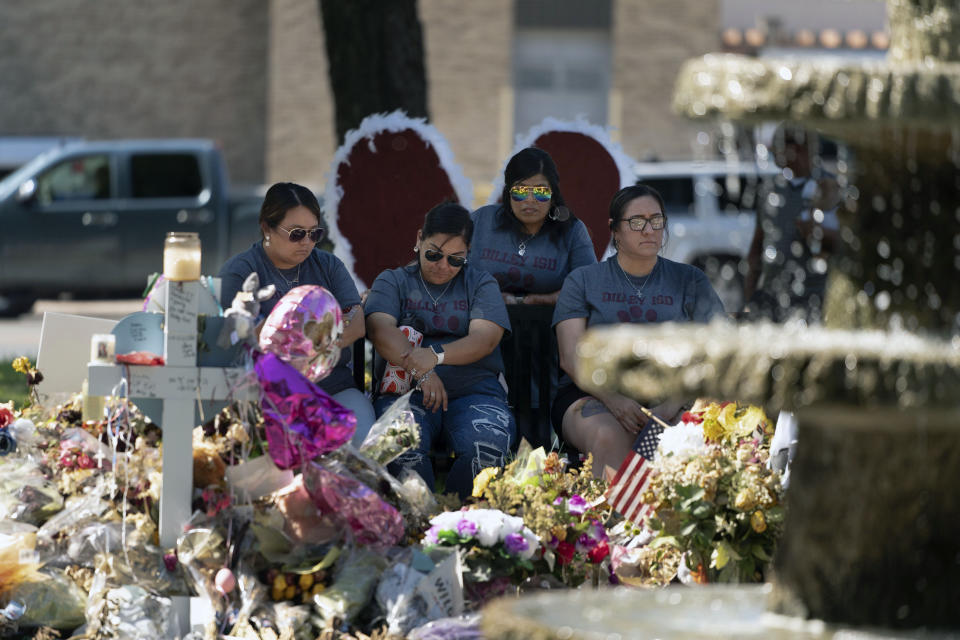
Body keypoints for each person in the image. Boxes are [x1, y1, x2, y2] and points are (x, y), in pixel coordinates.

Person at [552, 184, 726, 476]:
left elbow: (720, 346)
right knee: (610, 435)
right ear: (614, 230)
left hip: (673, 394)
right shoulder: (583, 281)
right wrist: (614, 400)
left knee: (685, 435)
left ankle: (673, 517)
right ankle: (608, 519)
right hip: (594, 393)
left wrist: (672, 404)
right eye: (636, 222)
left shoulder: (689, 280)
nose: (648, 230)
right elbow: (571, 357)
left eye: (656, 220)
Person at [364, 202, 515, 499]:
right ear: (419, 239)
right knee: (400, 451)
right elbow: (381, 331)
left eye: (455, 259)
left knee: (486, 450)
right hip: (407, 393)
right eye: (433, 254)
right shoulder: (393, 281)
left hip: (476, 392)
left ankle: (462, 526)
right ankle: (417, 529)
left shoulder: (480, 283)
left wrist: (434, 356)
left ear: (468, 254)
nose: (443, 266)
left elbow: (485, 339)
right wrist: (422, 370)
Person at [218, 182, 375, 445]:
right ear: (266, 227)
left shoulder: (328, 265)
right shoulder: (240, 272)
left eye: (315, 234)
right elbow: (230, 344)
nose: (306, 243)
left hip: (334, 389)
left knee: (366, 445)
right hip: (270, 396)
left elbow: (357, 323)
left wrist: (311, 349)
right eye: (296, 233)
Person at [469, 147, 596, 306]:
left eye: (541, 191)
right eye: (520, 191)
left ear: (553, 194)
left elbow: (590, 286)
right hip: (481, 314)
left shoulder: (572, 230)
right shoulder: (480, 220)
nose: (529, 199)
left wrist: (545, 300)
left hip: (552, 319)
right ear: (508, 193)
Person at [743, 123, 840, 323]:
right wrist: (748, 299)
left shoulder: (829, 187)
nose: (773, 152)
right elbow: (757, 247)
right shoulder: (770, 191)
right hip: (774, 297)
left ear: (796, 149)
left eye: (778, 146)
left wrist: (814, 230)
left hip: (815, 298)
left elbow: (841, 243)